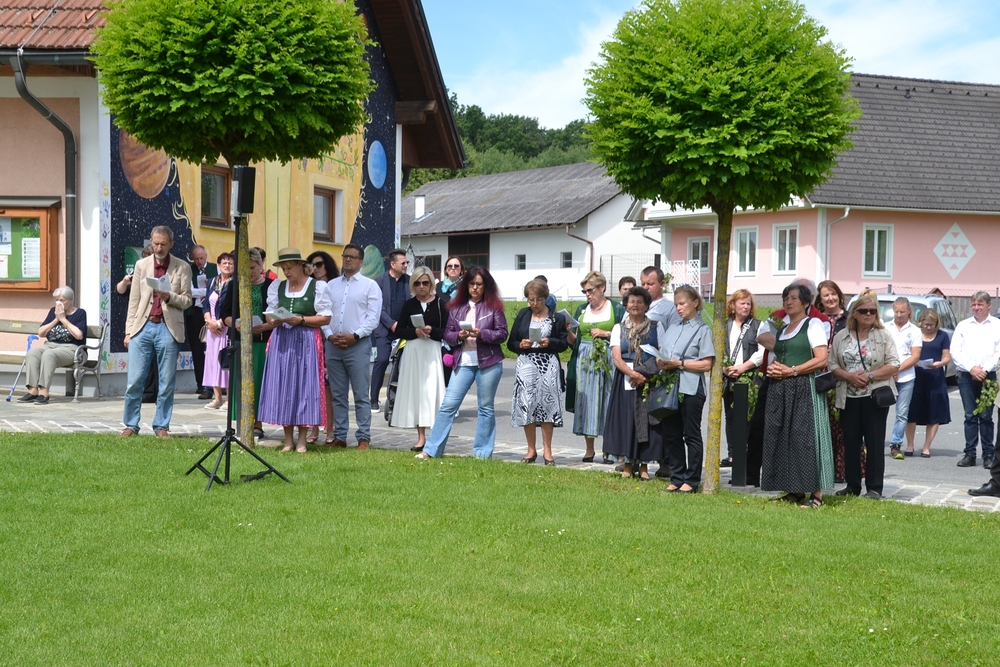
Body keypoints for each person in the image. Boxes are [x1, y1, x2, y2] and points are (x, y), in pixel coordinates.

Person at [417, 266, 508, 459]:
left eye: (479, 284)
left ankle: (482, 454)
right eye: (472, 284)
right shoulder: (456, 307)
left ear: (486, 286)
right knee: (448, 405)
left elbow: (502, 334)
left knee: (485, 407)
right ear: (466, 285)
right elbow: (448, 334)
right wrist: (459, 336)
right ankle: (431, 450)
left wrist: (481, 333)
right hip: (463, 360)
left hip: (489, 362)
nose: (475, 287)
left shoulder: (494, 306)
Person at [757, 283, 834, 507]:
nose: (788, 302)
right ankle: (794, 490)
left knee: (806, 439)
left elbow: (821, 359)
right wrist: (775, 368)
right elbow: (781, 356)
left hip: (804, 388)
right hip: (782, 388)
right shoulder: (782, 330)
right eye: (786, 298)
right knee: (785, 438)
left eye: (793, 298)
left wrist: (792, 371)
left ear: (806, 302)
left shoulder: (813, 324)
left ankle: (817, 494)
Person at [257, 247, 332, 453]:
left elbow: (325, 318)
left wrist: (300, 319)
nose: (286, 272)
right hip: (282, 338)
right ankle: (288, 439)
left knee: (304, 386)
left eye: (289, 267)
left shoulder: (317, 286)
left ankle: (302, 440)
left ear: (301, 265)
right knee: (284, 386)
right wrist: (273, 320)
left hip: (306, 339)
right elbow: (270, 315)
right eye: (283, 268)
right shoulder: (278, 286)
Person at [121, 226, 193, 438]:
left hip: (168, 328)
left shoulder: (182, 267)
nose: (159, 248)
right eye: (155, 244)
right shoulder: (141, 265)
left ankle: (161, 426)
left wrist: (170, 296)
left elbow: (188, 300)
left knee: (166, 381)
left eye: (163, 244)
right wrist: (128, 331)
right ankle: (130, 425)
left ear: (171, 244)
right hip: (142, 327)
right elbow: (134, 300)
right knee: (134, 380)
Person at [830, 293, 901, 499]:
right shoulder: (841, 336)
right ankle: (852, 485)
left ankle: (874, 488)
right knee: (851, 442)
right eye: (863, 311)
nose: (868, 314)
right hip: (848, 396)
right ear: (855, 313)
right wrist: (848, 376)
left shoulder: (883, 335)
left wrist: (870, 375)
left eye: (872, 311)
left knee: (874, 443)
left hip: (874, 397)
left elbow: (894, 364)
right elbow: (832, 363)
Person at [322, 243, 382, 449]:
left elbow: (373, 318)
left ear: (361, 261)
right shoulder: (331, 286)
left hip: (358, 345)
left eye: (353, 257)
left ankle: (363, 437)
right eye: (345, 256)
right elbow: (324, 313)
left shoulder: (370, 286)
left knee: (360, 394)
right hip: (333, 345)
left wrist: (355, 336)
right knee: (338, 394)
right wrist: (329, 336)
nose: (347, 259)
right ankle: (340, 436)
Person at [656, 285, 715, 492]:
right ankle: (677, 476)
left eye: (682, 304)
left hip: (691, 387)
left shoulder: (703, 330)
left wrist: (680, 364)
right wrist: (661, 361)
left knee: (691, 434)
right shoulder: (672, 328)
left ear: (695, 303)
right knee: (672, 434)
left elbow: (706, 364)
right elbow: (663, 352)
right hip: (670, 386)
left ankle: (692, 479)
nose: (679, 308)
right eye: (676, 305)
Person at [603, 286, 665, 480]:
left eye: (640, 302)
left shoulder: (656, 326)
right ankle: (628, 465)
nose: (635, 305)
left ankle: (644, 466)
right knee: (627, 420)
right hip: (626, 379)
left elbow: (661, 355)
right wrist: (633, 374)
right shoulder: (618, 328)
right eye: (632, 301)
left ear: (646, 305)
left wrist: (645, 374)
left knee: (646, 421)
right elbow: (616, 358)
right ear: (626, 305)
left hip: (649, 378)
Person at [507, 279, 569, 466]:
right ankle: (531, 449)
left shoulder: (556, 318)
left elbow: (564, 344)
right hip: (526, 363)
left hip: (548, 364)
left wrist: (550, 342)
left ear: (546, 298)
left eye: (538, 300)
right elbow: (511, 343)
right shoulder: (523, 314)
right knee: (527, 405)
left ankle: (547, 451)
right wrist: (521, 345)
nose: (534, 304)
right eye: (531, 299)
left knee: (547, 406)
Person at [565, 271, 625, 463]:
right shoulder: (582, 310)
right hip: (585, 359)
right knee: (587, 402)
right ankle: (589, 449)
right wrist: (568, 331)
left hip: (608, 358)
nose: (588, 295)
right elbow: (574, 342)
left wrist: (605, 333)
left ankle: (608, 449)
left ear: (602, 288)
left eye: (590, 290)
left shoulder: (616, 308)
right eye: (585, 291)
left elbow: (625, 335)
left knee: (608, 400)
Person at [390, 267, 449, 452]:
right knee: (417, 392)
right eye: (417, 283)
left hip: (432, 351)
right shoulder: (409, 305)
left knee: (432, 390)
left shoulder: (441, 304)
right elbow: (399, 330)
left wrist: (433, 331)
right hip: (414, 351)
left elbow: (448, 331)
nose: (421, 286)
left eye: (425, 283)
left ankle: (435, 436)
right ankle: (421, 437)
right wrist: (414, 332)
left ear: (431, 283)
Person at [219, 247, 274, 439]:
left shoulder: (271, 286)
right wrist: (235, 324)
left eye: (252, 267)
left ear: (260, 266)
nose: (249, 272)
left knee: (259, 382)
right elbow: (224, 313)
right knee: (240, 382)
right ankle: (242, 422)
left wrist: (265, 326)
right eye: (245, 268)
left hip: (262, 342)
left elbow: (276, 314)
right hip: (240, 340)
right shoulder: (234, 285)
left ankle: (257, 424)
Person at [951, 291, 1000, 469]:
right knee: (970, 416)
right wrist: (971, 368)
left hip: (989, 377)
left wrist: (984, 369)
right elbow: (955, 351)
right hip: (966, 375)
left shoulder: (997, 325)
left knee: (986, 417)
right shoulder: (963, 325)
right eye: (974, 304)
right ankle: (970, 454)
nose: (976, 308)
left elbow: (998, 352)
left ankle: (988, 455)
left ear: (989, 306)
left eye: (980, 304)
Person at [17, 287, 87, 405]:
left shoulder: (80, 313)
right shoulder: (53, 311)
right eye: (56, 300)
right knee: (32, 353)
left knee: (49, 355)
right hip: (50, 345)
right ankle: (33, 391)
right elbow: (41, 332)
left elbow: (79, 335)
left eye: (62, 300)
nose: (58, 303)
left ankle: (44, 393)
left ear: (71, 300)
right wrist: (56, 319)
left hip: (72, 348)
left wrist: (63, 319)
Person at [720, 289, 763, 467]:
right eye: (742, 303)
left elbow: (762, 352)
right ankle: (732, 455)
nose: (746, 307)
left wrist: (743, 367)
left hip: (750, 378)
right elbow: (718, 349)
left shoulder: (758, 325)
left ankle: (746, 453)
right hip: (728, 378)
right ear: (733, 305)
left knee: (749, 417)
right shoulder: (724, 326)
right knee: (730, 417)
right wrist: (724, 369)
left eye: (748, 304)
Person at [815, 280, 851, 482]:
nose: (830, 298)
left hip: (843, 375)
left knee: (842, 424)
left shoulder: (849, 319)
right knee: (824, 424)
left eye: (833, 294)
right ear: (820, 299)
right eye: (825, 295)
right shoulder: (815, 320)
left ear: (839, 295)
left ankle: (842, 469)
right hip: (820, 375)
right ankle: (825, 468)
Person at [905, 308, 951, 457]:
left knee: (934, 412)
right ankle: (910, 445)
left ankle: (926, 447)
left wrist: (939, 363)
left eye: (932, 324)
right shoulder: (916, 334)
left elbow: (947, 356)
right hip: (916, 376)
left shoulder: (942, 335)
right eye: (926, 324)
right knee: (912, 412)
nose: (929, 327)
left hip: (935, 377)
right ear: (921, 323)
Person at [305, 250, 340, 444]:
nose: (315, 269)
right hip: (312, 337)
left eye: (319, 264)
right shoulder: (307, 286)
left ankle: (330, 428)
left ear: (327, 265)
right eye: (311, 265)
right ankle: (313, 427)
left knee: (328, 388)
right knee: (312, 385)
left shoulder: (335, 286)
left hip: (330, 339)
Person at [117, 245, 158, 404]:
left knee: (155, 360)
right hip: (140, 321)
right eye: (145, 257)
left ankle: (154, 393)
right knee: (143, 359)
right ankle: (146, 392)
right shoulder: (139, 272)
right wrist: (125, 281)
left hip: (155, 320)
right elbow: (120, 291)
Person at [371, 249, 411, 411]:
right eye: (403, 263)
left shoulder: (410, 281)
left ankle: (399, 398)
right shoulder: (379, 282)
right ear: (392, 264)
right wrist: (391, 323)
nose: (406, 265)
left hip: (405, 330)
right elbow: (377, 307)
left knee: (405, 363)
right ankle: (374, 399)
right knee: (381, 360)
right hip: (384, 330)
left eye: (407, 262)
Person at [886, 297, 922, 459]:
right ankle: (870, 443)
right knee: (878, 411)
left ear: (909, 311)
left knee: (902, 414)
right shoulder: (885, 328)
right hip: (886, 376)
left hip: (906, 378)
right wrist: (889, 371)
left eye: (902, 311)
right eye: (896, 311)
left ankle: (896, 445)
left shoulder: (915, 331)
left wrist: (897, 369)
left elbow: (915, 356)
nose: (899, 315)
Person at [201, 252, 234, 410]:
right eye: (224, 263)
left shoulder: (235, 283)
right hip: (212, 328)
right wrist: (209, 322)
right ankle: (217, 398)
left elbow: (232, 307)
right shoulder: (212, 281)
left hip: (225, 327)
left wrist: (219, 323)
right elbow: (206, 305)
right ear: (219, 265)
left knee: (225, 361)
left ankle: (228, 400)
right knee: (213, 362)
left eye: (230, 263)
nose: (227, 266)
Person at [185, 244, 218, 399]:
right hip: (195, 313)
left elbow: (219, 288)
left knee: (214, 349)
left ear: (206, 256)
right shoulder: (188, 270)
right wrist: (208, 290)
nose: (199, 261)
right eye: (196, 259)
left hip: (212, 313)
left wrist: (205, 292)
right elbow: (189, 291)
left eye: (201, 258)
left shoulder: (215, 268)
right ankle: (202, 384)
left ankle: (217, 384)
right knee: (197, 350)